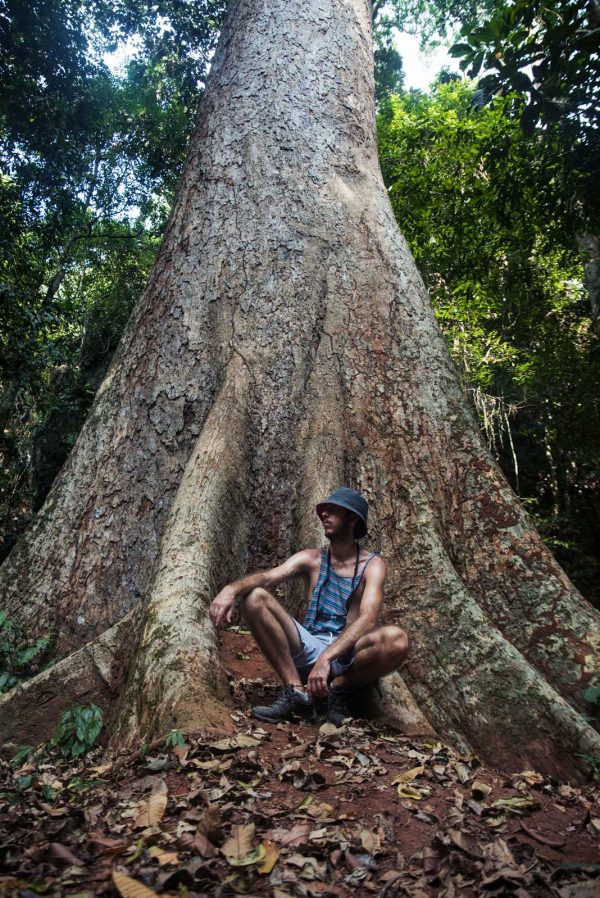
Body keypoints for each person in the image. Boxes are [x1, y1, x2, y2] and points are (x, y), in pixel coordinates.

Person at [209, 487, 408, 725]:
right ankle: (296, 691)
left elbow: (367, 619)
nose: (325, 515)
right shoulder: (311, 558)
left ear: (353, 519)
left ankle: (338, 689)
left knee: (397, 639)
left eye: (333, 511)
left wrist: (327, 659)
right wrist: (231, 589)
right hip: (309, 647)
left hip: (345, 655)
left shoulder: (373, 565)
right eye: (324, 511)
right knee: (255, 597)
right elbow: (269, 577)